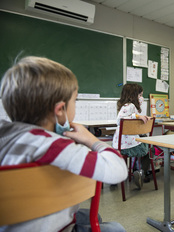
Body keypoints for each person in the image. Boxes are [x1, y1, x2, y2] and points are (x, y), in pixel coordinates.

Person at [0, 56, 128, 232]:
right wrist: (91, 139)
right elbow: (118, 170)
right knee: (115, 228)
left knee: (91, 216)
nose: (75, 105)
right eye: (75, 101)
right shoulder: (53, 146)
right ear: (60, 110)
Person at [112, 83, 151, 189]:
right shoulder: (130, 106)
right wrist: (136, 116)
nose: (142, 98)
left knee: (141, 143)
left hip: (120, 145)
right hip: (127, 146)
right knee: (149, 148)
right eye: (140, 95)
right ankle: (140, 172)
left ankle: (131, 172)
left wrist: (137, 115)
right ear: (134, 95)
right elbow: (120, 119)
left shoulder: (126, 106)